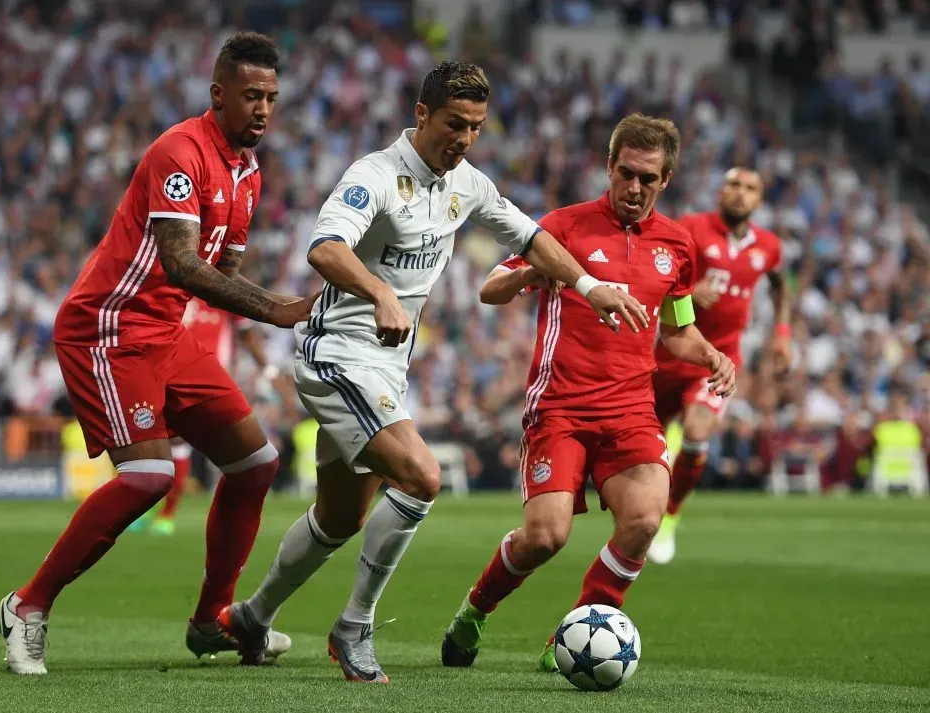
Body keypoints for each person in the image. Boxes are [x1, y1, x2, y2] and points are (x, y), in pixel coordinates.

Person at [216, 61, 648, 684]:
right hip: (337, 355)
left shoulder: (466, 184)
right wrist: (379, 293)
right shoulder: (374, 176)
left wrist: (588, 285)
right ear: (422, 114)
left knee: (339, 517)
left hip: (385, 369)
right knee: (422, 476)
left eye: (475, 127)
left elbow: (530, 238)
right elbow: (325, 248)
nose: (464, 138)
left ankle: (253, 617)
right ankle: (354, 627)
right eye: (454, 124)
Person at [0, 33, 313, 675]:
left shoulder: (248, 173)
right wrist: (277, 308)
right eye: (251, 95)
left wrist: (290, 310)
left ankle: (211, 621)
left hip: (166, 332)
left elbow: (223, 271)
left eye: (272, 98)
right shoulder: (180, 152)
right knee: (148, 476)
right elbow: (181, 264)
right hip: (108, 328)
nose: (262, 109)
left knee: (256, 463)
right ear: (218, 93)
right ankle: (27, 605)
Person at [440, 113, 735, 672]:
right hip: (560, 408)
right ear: (609, 166)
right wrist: (531, 273)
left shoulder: (677, 245)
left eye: (648, 178)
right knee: (545, 537)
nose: (634, 188)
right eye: (626, 173)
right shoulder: (565, 227)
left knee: (644, 520)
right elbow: (490, 288)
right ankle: (474, 611)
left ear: (666, 180)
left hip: (631, 410)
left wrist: (712, 355)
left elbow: (677, 331)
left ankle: (575, 633)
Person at [647, 167, 790, 564]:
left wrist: (782, 333)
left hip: (719, 360)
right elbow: (655, 274)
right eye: (734, 185)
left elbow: (780, 286)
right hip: (671, 354)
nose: (740, 193)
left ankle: (669, 516)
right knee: (644, 447)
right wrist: (689, 292)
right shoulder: (691, 228)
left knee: (697, 431)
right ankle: (641, 509)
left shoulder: (768, 246)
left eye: (750, 187)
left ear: (759, 199)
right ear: (720, 191)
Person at [151, 297, 280, 536]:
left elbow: (247, 333)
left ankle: (168, 514)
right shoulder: (177, 290)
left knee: (179, 443)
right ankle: (161, 513)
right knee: (159, 442)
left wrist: (268, 371)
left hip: (212, 378)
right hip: (169, 372)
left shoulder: (220, 290)